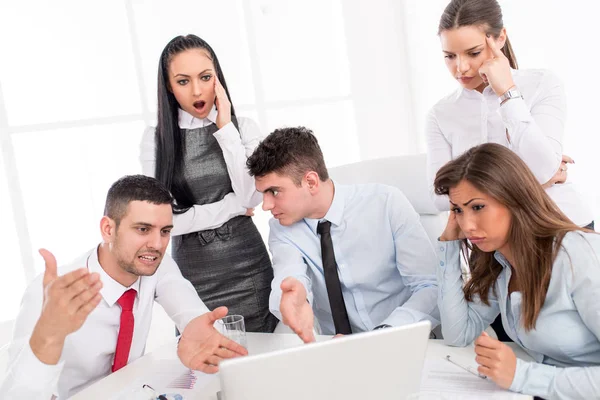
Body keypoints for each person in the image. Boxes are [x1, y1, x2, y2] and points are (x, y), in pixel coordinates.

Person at [0, 175, 248, 399]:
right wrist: (49, 337)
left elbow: (187, 308)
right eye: (143, 229)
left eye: (165, 231)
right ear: (108, 229)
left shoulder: (155, 266)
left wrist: (195, 326)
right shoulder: (52, 293)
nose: (157, 244)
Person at [434, 143, 599, 399]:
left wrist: (521, 376)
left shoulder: (579, 255)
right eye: (458, 210)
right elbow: (458, 333)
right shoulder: (501, 264)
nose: (466, 225)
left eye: (477, 207)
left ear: (515, 199)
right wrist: (448, 246)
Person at [245, 126, 439, 343]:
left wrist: (386, 333)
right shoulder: (282, 228)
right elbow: (289, 275)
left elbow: (429, 286)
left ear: (310, 182)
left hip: (401, 338)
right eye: (263, 194)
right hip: (337, 347)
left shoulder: (385, 203)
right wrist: (295, 298)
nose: (266, 205)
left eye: (274, 191)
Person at [140, 34, 277, 333]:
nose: (198, 90)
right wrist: (231, 207)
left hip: (249, 266)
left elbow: (251, 197)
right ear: (168, 85)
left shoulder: (244, 128)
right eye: (183, 81)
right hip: (193, 276)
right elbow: (165, 221)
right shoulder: (157, 141)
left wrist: (225, 127)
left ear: (218, 78)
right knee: (206, 365)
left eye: (205, 77)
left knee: (266, 356)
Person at [426, 0, 593, 230]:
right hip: (491, 242)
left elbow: (542, 167)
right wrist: (531, 181)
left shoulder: (543, 84)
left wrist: (507, 93)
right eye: (449, 56)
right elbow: (439, 197)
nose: (460, 67)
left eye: (473, 53)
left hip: (561, 225)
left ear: (500, 38)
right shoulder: (441, 114)